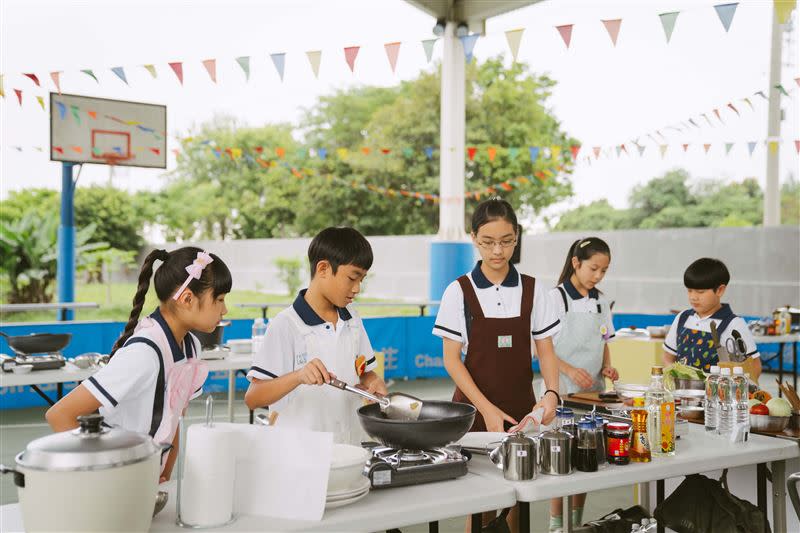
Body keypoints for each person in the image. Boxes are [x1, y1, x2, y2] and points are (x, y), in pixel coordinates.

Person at [432, 197, 562, 533]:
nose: (497, 251)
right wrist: (486, 408)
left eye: (505, 242)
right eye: (488, 242)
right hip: (474, 413)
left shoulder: (535, 289)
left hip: (521, 410)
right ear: (474, 238)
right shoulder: (458, 291)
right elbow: (451, 359)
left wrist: (551, 394)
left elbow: (545, 350)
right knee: (480, 505)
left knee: (518, 498)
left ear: (516, 237)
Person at [46, 247, 231, 480]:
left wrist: (163, 476)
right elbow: (60, 415)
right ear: (187, 299)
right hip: (116, 485)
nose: (224, 309)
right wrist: (104, 476)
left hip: (145, 482)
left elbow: (174, 420)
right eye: (220, 299)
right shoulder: (144, 354)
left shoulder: (191, 346)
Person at [244, 227, 387, 444]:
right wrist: (298, 376)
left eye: (362, 279)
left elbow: (365, 373)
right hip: (301, 453)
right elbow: (253, 398)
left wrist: (374, 381)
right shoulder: (286, 325)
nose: (357, 288)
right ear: (323, 268)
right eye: (352, 278)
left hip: (349, 447)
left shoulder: (352, 320)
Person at [548, 237, 618, 532]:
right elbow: (542, 348)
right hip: (561, 392)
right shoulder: (555, 298)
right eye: (593, 268)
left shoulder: (602, 301)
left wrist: (608, 367)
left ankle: (577, 523)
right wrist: (568, 369)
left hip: (592, 396)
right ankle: (555, 524)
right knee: (559, 458)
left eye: (603, 270)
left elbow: (605, 342)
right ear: (576, 263)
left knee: (586, 456)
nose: (598, 276)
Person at [663, 257, 761, 379]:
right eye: (689, 290)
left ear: (720, 290)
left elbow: (755, 367)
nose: (693, 297)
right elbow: (668, 358)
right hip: (683, 394)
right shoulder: (682, 318)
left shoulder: (734, 324)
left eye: (700, 292)